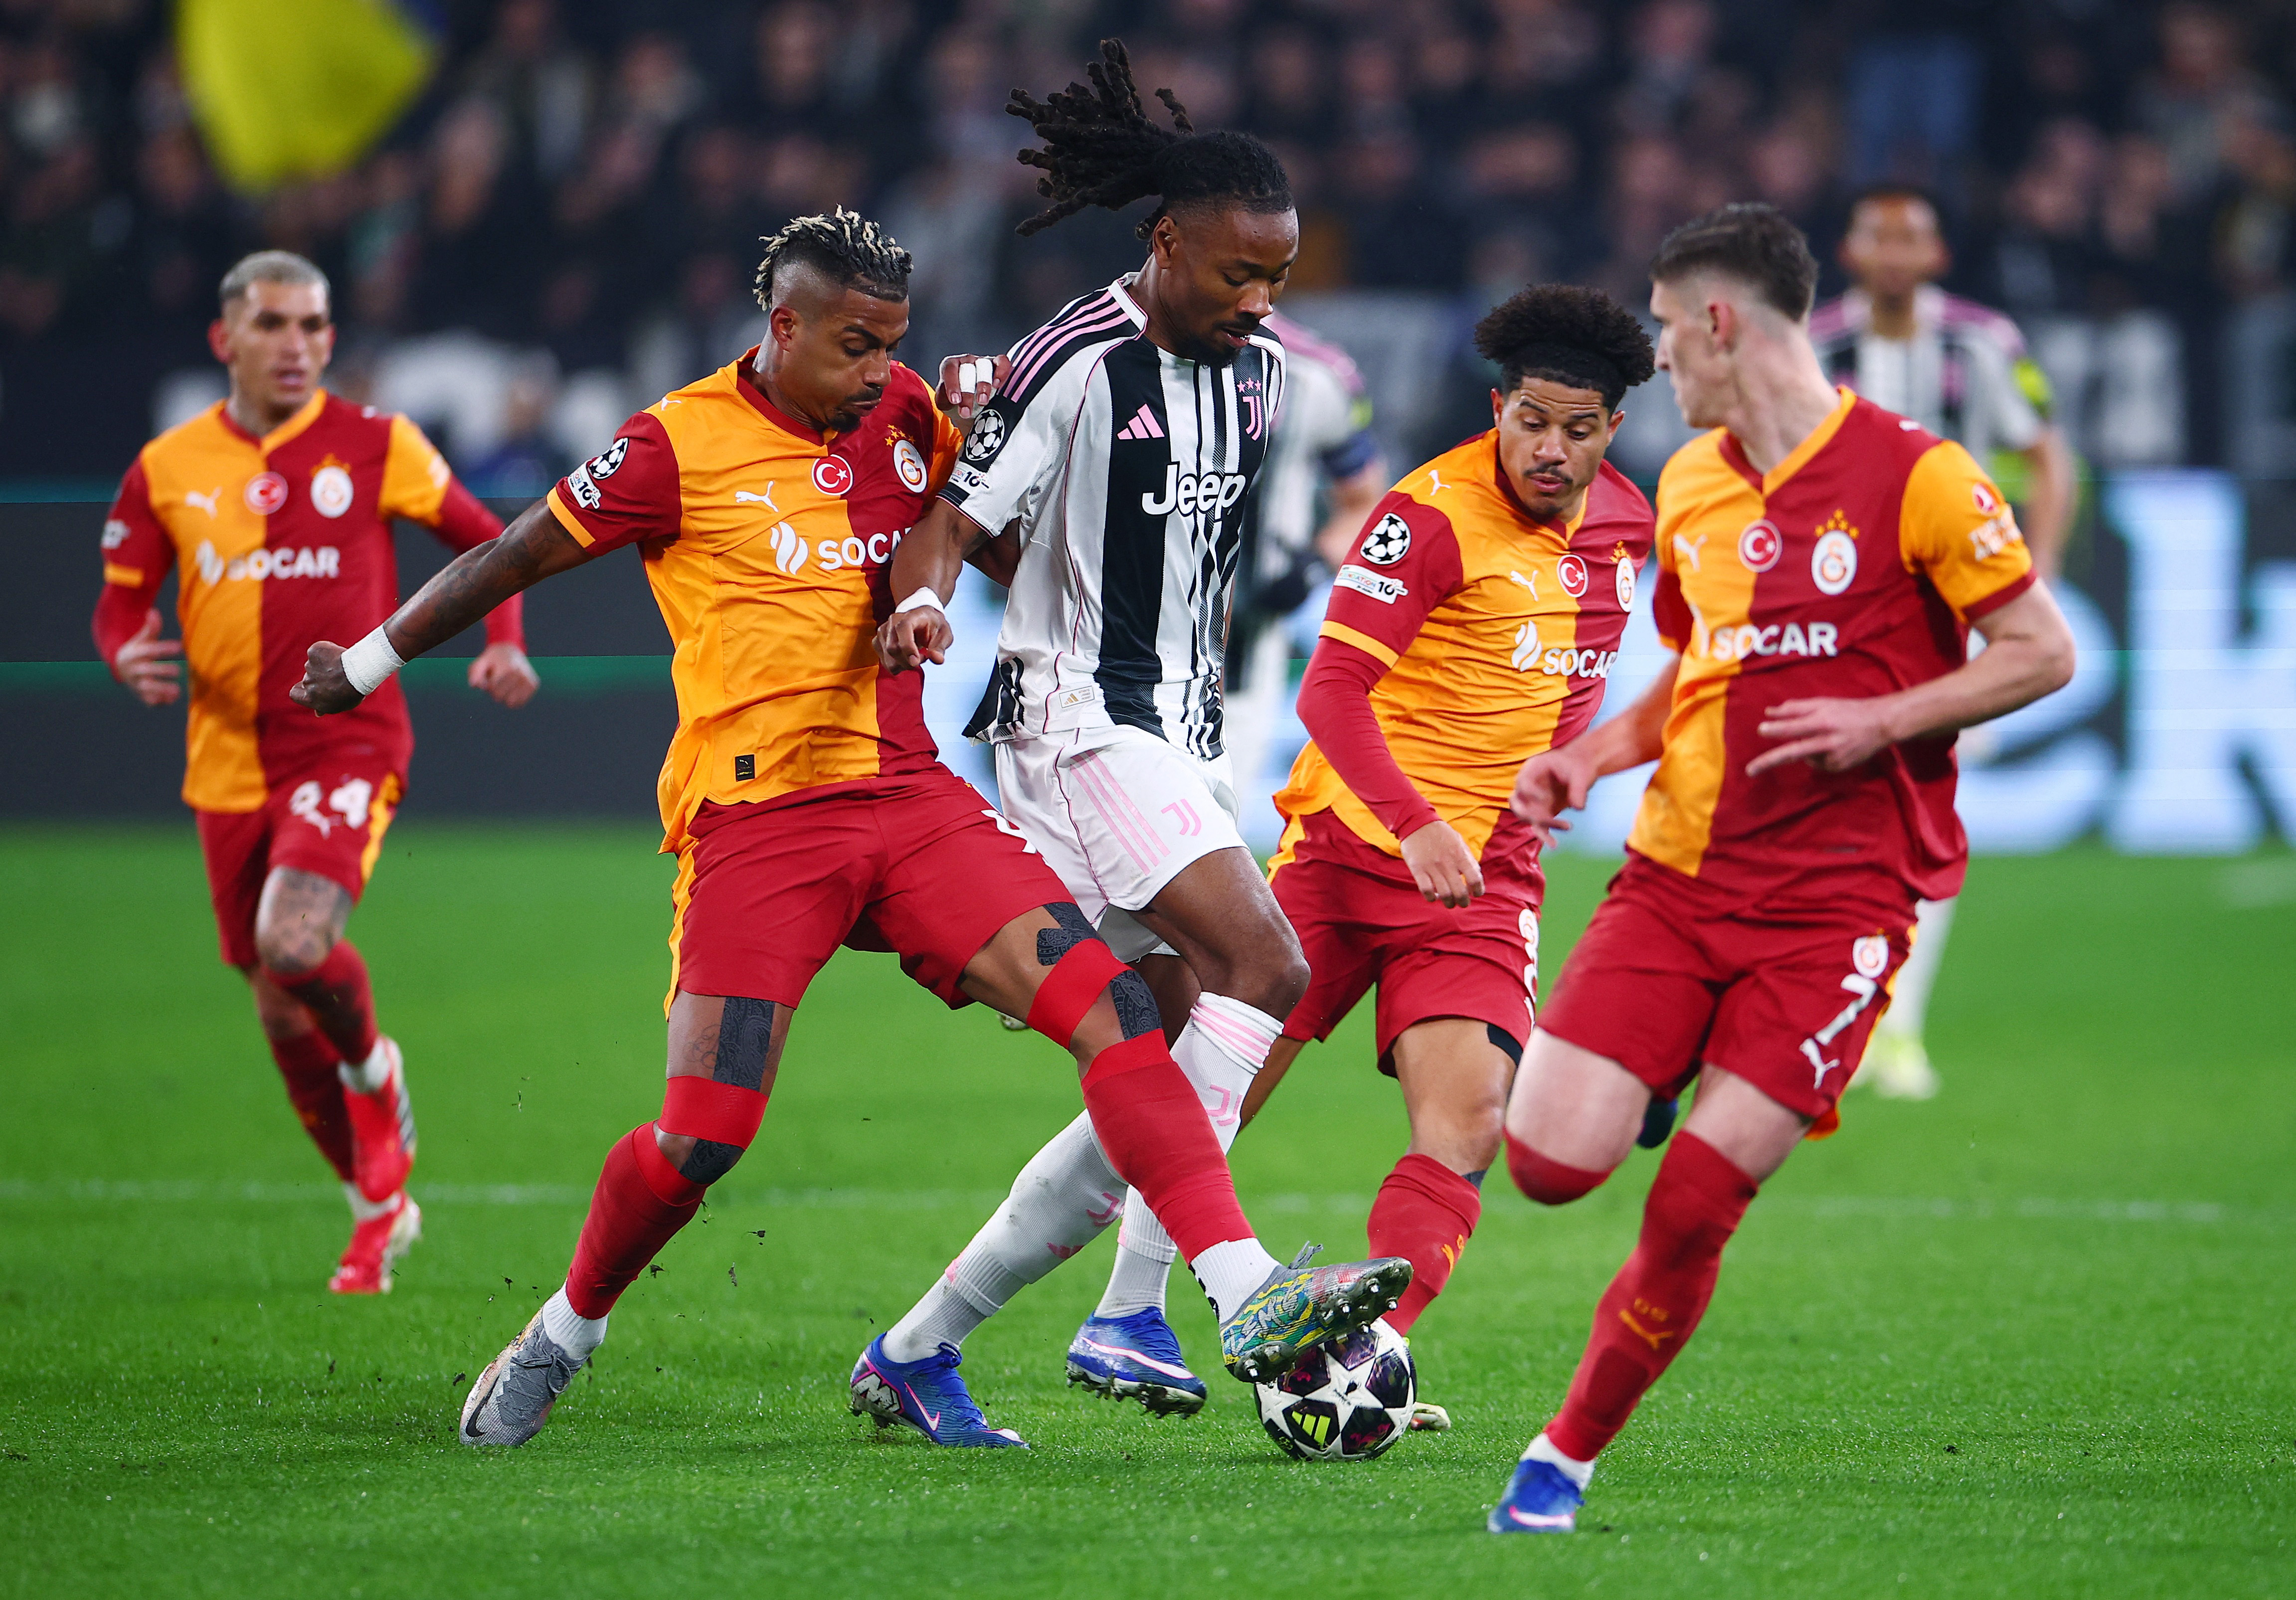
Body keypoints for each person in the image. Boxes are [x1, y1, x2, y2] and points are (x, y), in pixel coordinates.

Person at [288, 209, 1408, 1450]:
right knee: (703, 1136)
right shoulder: (674, 443)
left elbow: (989, 542)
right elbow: (513, 554)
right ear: (784, 325)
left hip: (910, 801)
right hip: (758, 822)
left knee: (1122, 1010)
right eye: (857, 345)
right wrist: (370, 660)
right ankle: (565, 1328)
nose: (882, 371)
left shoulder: (910, 414)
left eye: (894, 343)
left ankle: (1236, 1288)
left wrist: (970, 516)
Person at [1486, 203, 2076, 1535]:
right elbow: (1698, 673)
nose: (1652, 358)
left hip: (1836, 906)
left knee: (1693, 1205)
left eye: (1661, 327)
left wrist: (1884, 718)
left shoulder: (1920, 477)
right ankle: (1676, 1062)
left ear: (1716, 324)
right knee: (1547, 1163)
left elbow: (2041, 649)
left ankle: (1561, 1458)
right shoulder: (1692, 482)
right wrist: (1591, 757)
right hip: (1675, 879)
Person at [868, 41, 1345, 1422]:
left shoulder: (1261, 378)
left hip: (1180, 733)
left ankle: (918, 1348)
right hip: (1075, 725)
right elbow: (953, 520)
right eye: (1236, 273)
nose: (1258, 301)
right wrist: (921, 605)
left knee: (1160, 1067)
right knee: (1268, 964)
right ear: (1165, 241)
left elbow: (1116, 552)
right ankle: (1169, 1304)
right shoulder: (1071, 360)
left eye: (1277, 277)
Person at [1216, 285, 1657, 1420]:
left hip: (1484, 875)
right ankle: (1046, 1313)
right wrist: (1415, 822)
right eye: (1531, 421)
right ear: (1497, 408)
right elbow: (1329, 690)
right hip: (1345, 852)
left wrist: (1579, 768)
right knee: (1204, 1106)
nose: (1550, 449)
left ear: (1611, 428)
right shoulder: (1425, 514)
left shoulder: (1629, 525)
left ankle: (1364, 1356)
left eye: (1577, 429)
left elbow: (1657, 679)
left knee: (1467, 1122)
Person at [92, 250, 538, 1295]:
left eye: (314, 326)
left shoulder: (377, 442)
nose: (297, 345)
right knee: (278, 1005)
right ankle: (377, 1208)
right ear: (226, 339)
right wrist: (123, 649)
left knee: (293, 943)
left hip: (346, 739)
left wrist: (504, 640)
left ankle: (375, 1070)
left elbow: (494, 540)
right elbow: (120, 601)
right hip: (225, 762)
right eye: (274, 325)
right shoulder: (166, 466)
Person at [1811, 183, 2078, 1099]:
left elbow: (2047, 457)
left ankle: (1895, 1024)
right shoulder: (1813, 347)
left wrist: (2034, 574)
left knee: (1923, 804)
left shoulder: (1983, 342)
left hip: (1952, 612)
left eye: (1910, 238)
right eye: (1877, 237)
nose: (1894, 253)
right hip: (1837, 613)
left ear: (1937, 255)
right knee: (1829, 809)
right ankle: (1838, 1005)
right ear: (1850, 252)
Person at [1220, 310, 1386, 819]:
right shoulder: (1112, 351)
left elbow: (1363, 498)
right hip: (1121, 631)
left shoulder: (1315, 374)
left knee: (1216, 813)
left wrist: (1309, 567)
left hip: (1248, 639)